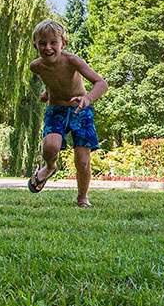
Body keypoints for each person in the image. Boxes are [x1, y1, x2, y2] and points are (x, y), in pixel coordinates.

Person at [27, 19, 108, 207]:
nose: (48, 48)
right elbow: (55, 80)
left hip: (80, 109)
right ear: (35, 46)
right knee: (50, 147)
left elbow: (101, 83)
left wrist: (87, 98)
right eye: (42, 43)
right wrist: (47, 93)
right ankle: (49, 167)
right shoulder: (36, 66)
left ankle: (82, 197)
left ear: (63, 43)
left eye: (53, 42)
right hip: (56, 110)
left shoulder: (72, 61)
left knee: (82, 160)